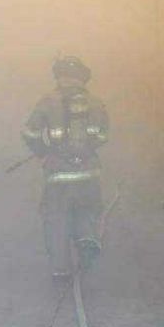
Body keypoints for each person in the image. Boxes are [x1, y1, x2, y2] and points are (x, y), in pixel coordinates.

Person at [22, 56, 109, 281]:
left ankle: (61, 269)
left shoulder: (47, 101)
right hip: (89, 172)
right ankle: (87, 238)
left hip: (58, 173)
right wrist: (86, 151)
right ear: (82, 77)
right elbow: (102, 136)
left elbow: (29, 133)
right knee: (88, 210)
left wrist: (43, 153)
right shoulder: (97, 103)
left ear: (59, 77)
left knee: (56, 218)